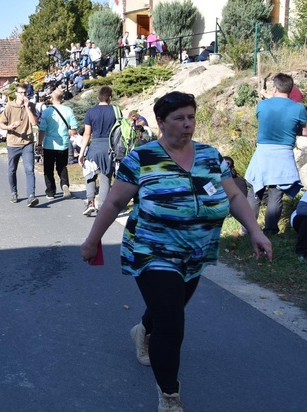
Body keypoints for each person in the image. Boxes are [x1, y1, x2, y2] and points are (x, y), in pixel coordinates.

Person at [80, 91, 272, 412]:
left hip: (194, 254)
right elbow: (114, 202)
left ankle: (142, 330)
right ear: (160, 122)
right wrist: (92, 240)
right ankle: (169, 396)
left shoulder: (211, 156)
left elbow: (236, 198)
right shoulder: (141, 159)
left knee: (167, 308)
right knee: (172, 321)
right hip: (151, 251)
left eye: (191, 117)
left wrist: (255, 230)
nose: (187, 125)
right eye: (179, 119)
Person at [244, 73, 307, 234]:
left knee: (254, 190)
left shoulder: (262, 105)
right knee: (276, 193)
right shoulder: (299, 108)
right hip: (283, 153)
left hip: (263, 152)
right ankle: (271, 230)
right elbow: (305, 131)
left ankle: (248, 229)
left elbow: (263, 119)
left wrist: (265, 97)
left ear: (275, 87)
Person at [78, 86, 117, 217]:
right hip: (109, 147)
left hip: (94, 147)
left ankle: (90, 202)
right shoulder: (116, 111)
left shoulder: (91, 112)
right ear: (110, 97)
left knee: (90, 174)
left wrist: (82, 153)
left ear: (97, 97)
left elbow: (87, 134)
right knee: (106, 177)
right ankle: (102, 206)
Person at [0, 83, 39, 207]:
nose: (23, 95)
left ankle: (31, 196)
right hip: (13, 143)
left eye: (25, 93)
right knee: (12, 170)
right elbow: (1, 124)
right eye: (21, 93)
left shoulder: (31, 105)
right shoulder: (9, 107)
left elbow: (34, 122)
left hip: (27, 143)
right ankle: (14, 192)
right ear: (16, 93)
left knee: (29, 169)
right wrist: (9, 127)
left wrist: (27, 107)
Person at [38, 89, 78, 200]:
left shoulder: (47, 111)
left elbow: (42, 129)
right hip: (63, 144)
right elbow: (74, 129)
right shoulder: (68, 110)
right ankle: (64, 184)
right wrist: (69, 132)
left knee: (48, 169)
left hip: (49, 144)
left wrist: (39, 144)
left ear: (52, 98)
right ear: (62, 98)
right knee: (62, 166)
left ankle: (50, 191)